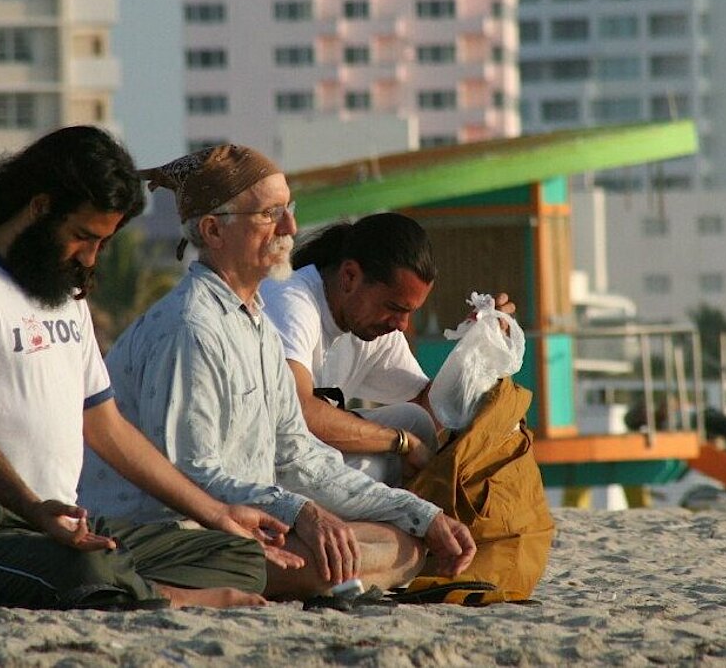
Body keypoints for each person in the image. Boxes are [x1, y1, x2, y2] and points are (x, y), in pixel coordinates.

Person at [0, 126, 298, 612]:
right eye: (82, 236)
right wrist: (38, 513)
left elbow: (105, 427)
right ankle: (168, 596)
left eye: (101, 243)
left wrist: (217, 512)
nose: (89, 256)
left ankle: (127, 582)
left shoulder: (64, 291)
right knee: (83, 570)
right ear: (40, 208)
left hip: (63, 524)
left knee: (238, 553)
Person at [77, 144, 476, 600]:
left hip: (239, 524)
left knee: (402, 543)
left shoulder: (258, 326)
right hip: (163, 532)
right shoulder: (190, 328)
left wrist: (420, 513)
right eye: (270, 214)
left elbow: (297, 454)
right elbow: (188, 474)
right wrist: (302, 512)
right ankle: (183, 586)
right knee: (364, 557)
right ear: (214, 230)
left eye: (289, 210)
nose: (290, 228)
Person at [259, 213, 516, 485]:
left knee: (414, 420)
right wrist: (399, 442)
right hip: (258, 466)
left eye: (409, 312)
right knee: (378, 470)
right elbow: (295, 412)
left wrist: (475, 349)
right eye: (394, 308)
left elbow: (431, 411)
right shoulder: (291, 301)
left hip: (304, 459)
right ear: (349, 277)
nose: (402, 325)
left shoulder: (374, 328)